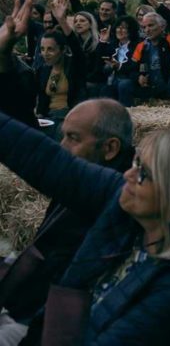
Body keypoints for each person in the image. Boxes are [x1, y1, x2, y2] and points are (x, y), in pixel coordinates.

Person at [0, 111, 170, 344]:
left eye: (144, 173)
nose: (129, 175)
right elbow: (46, 159)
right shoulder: (125, 206)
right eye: (135, 163)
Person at [0, 98, 134, 343]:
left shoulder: (111, 199)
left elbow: (40, 157)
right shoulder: (95, 186)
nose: (62, 146)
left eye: (73, 138)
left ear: (110, 148)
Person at [37, 0, 87, 132]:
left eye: (50, 49)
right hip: (48, 118)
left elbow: (77, 50)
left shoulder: (74, 66)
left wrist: (62, 21)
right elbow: (42, 99)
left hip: (69, 117)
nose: (45, 54)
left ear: (62, 50)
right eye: (42, 49)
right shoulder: (43, 70)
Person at [132, 11, 170, 107]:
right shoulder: (141, 46)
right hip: (151, 87)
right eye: (144, 27)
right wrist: (138, 77)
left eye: (151, 25)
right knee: (125, 84)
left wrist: (158, 6)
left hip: (169, 86)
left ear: (162, 27)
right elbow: (131, 69)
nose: (147, 30)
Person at [102, 15, 142, 107]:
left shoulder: (138, 45)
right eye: (118, 27)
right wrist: (103, 41)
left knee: (124, 84)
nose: (119, 30)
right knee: (105, 89)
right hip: (113, 79)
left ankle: (126, 113)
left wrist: (119, 66)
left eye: (123, 28)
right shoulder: (113, 45)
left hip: (130, 79)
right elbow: (101, 59)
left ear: (131, 30)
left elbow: (135, 66)